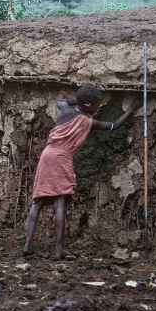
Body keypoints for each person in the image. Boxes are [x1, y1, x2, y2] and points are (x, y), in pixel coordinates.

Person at [23, 85, 136, 259]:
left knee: (37, 202)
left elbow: (61, 98)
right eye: (97, 104)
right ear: (89, 105)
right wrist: (131, 110)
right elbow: (114, 125)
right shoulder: (87, 121)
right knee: (60, 202)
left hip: (47, 155)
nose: (98, 108)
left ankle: (27, 246)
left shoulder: (66, 109)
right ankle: (59, 250)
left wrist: (79, 99)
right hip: (61, 158)